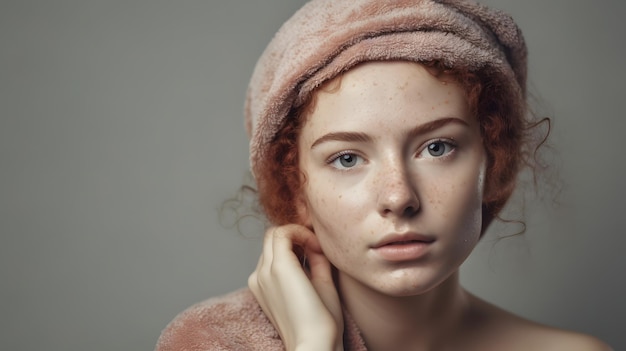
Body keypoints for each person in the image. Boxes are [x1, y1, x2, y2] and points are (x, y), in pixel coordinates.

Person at [156, 0, 611, 350]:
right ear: (295, 186)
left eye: (437, 147)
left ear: (495, 161)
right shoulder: (211, 341)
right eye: (347, 158)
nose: (398, 196)